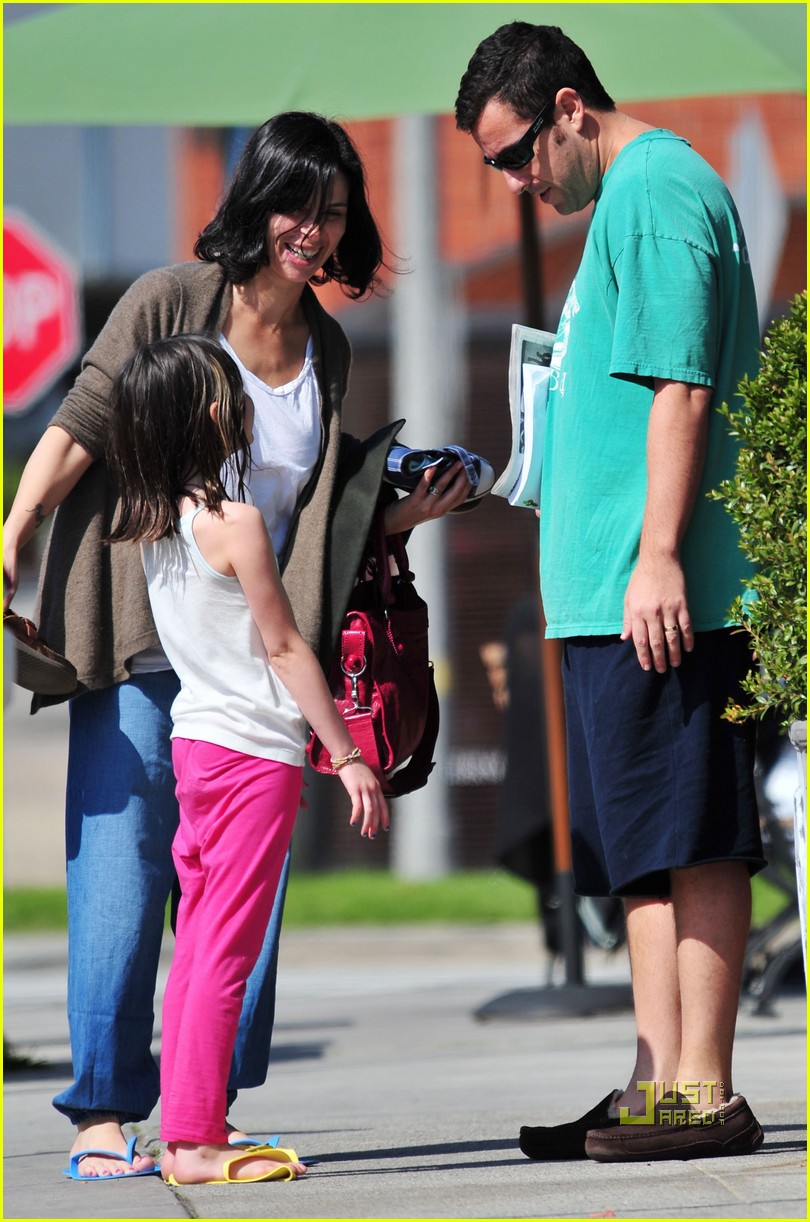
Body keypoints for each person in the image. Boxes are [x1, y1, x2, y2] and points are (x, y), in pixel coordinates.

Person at [3, 111, 471, 1179]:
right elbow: (83, 417)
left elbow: (311, 514)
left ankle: (199, 1106)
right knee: (122, 871)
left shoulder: (330, 348)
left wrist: (399, 518)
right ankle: (103, 1111)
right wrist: (16, 526)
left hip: (263, 645)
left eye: (335, 212)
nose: (313, 228)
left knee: (238, 896)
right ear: (257, 200)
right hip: (142, 626)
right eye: (297, 205)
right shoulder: (174, 300)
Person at [455, 24, 766, 1162]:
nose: (515, 182)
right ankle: (655, 1077)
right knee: (639, 846)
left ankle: (706, 1088)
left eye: (517, 155)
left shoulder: (658, 189)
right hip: (606, 595)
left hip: (658, 591)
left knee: (694, 839)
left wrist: (660, 554)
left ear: (572, 108)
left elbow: (683, 388)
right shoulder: (622, 206)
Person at [104, 333, 388, 1184]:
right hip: (251, 756)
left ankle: (192, 1125)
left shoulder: (158, 525)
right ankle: (195, 1142)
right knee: (226, 945)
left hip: (195, 744)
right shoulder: (236, 524)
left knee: (198, 942)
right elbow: (284, 647)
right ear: (217, 413)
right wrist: (347, 755)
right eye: (235, 392)